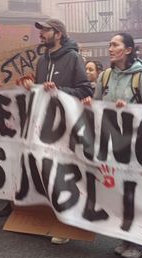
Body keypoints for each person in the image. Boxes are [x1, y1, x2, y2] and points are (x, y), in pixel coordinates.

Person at [82, 32, 142, 258]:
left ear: (127, 50)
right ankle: (126, 238)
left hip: (135, 148)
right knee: (119, 193)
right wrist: (89, 104)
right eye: (110, 45)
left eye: (115, 45)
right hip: (112, 146)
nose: (110, 48)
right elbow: (97, 106)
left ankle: (137, 243)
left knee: (134, 195)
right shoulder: (105, 76)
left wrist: (130, 111)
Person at [16, 18, 93, 241]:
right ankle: (51, 220)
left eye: (45, 30)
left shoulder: (73, 57)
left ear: (58, 33)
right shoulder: (42, 61)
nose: (40, 34)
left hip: (66, 127)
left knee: (66, 176)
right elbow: (41, 94)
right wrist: (32, 88)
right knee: (47, 173)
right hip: (45, 126)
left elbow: (84, 90)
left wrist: (59, 90)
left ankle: (68, 225)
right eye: (40, 30)